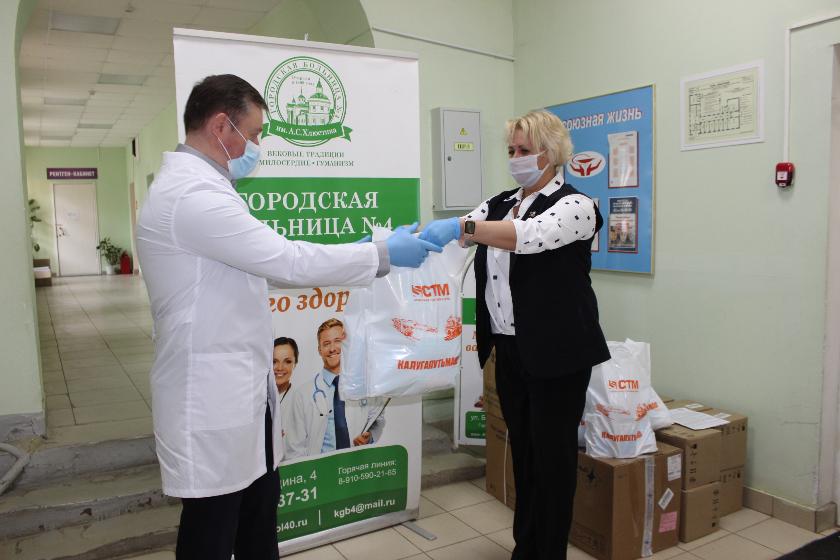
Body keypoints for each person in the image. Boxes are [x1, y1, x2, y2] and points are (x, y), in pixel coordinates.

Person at [135, 74, 440, 560]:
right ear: (220, 126)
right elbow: (286, 260)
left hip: (243, 393)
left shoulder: (208, 188)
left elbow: (259, 263)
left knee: (258, 519)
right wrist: (381, 255)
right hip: (211, 395)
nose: (257, 146)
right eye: (254, 134)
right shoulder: (192, 195)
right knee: (211, 533)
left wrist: (362, 247)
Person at [419, 110, 610, 560]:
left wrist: (464, 228)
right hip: (510, 348)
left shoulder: (577, 206)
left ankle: (549, 553)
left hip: (559, 353)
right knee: (523, 455)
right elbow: (461, 234)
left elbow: (530, 236)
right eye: (511, 150)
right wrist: (415, 238)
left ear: (552, 152)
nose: (516, 157)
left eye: (525, 149)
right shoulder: (501, 202)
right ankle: (526, 549)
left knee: (553, 461)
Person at [285, 318, 385, 458]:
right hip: (319, 469)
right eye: (326, 344)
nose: (332, 348)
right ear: (319, 350)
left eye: (338, 341)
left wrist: (369, 437)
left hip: (355, 465)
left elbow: (377, 420)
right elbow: (295, 447)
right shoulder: (302, 394)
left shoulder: (365, 386)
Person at [273, 336, 298, 457]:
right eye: (274, 361)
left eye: (287, 361)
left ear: (295, 364)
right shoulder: (255, 399)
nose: (280, 368)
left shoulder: (300, 400)